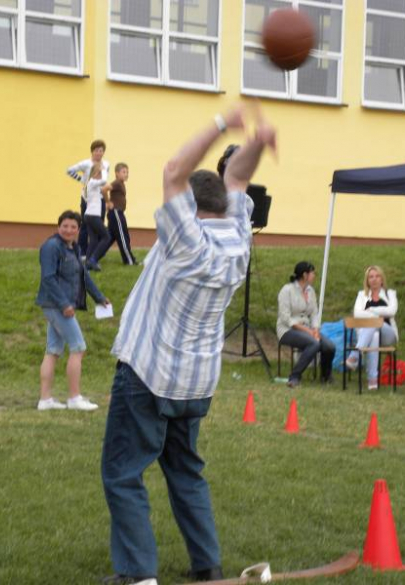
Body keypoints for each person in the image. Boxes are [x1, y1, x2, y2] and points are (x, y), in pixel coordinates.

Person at [100, 104, 275, 585]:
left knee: (122, 473)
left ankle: (138, 576)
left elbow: (173, 170)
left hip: (149, 375)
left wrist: (223, 123)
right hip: (196, 384)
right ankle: (207, 566)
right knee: (185, 472)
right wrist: (259, 140)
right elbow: (237, 177)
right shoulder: (239, 239)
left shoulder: (186, 239)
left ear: (192, 209)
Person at [35, 210, 110, 412]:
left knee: (53, 350)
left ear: (78, 230)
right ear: (58, 227)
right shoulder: (51, 247)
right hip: (56, 306)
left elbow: (83, 275)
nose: (68, 230)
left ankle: (45, 400)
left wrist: (99, 297)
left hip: (61, 306)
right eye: (65, 226)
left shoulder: (74, 248)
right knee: (78, 347)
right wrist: (64, 305)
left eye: (73, 227)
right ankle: (74, 398)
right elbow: (48, 278)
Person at [276, 261, 335, 387]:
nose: (314, 275)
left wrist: (315, 329)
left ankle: (325, 376)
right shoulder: (287, 290)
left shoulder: (310, 291)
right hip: (287, 330)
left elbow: (314, 313)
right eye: (312, 273)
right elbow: (285, 317)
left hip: (307, 329)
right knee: (313, 343)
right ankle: (294, 377)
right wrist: (308, 331)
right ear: (304, 275)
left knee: (329, 346)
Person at [345, 265, 399, 390]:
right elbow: (357, 314)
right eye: (371, 277)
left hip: (388, 334)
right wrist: (378, 315)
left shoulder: (390, 293)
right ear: (367, 280)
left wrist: (372, 310)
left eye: (377, 276)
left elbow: (392, 311)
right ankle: (372, 380)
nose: (374, 279)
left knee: (374, 322)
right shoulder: (361, 295)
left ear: (382, 279)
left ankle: (355, 355)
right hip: (369, 335)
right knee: (374, 332)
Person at [67, 140, 109, 257]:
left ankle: (95, 253)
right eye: (96, 150)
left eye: (101, 151)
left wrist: (106, 199)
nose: (99, 153)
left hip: (100, 198)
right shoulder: (86, 163)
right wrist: (82, 180)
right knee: (85, 225)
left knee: (99, 225)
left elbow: (104, 183)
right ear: (92, 151)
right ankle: (83, 252)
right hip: (86, 197)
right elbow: (70, 170)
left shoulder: (106, 164)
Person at [99, 163, 138, 265]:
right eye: (124, 172)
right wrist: (108, 202)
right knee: (123, 237)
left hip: (117, 213)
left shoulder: (121, 183)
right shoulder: (116, 182)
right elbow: (104, 189)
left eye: (127, 172)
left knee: (109, 238)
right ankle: (129, 261)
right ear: (117, 173)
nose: (126, 174)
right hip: (116, 213)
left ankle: (93, 258)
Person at [83, 163, 111, 271]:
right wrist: (103, 170)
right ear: (94, 174)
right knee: (106, 237)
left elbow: (103, 188)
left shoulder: (92, 184)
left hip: (89, 215)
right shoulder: (93, 182)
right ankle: (93, 260)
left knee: (94, 240)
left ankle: (87, 263)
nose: (101, 174)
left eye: (101, 172)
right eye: (99, 172)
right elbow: (104, 181)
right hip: (93, 215)